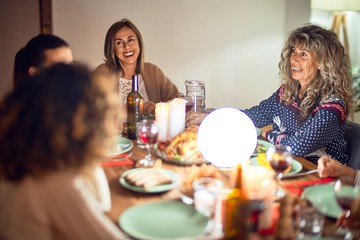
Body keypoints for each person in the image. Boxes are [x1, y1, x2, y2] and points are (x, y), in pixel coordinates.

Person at [187, 24, 354, 165]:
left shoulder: (332, 107)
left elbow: (296, 147)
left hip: (319, 176)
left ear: (322, 62)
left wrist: (266, 133)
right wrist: (210, 116)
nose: (294, 59)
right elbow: (254, 116)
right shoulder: (287, 92)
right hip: (285, 165)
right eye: (294, 51)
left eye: (303, 54)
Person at [0, 63, 128, 239]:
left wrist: (86, 159)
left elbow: (101, 206)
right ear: (77, 121)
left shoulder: (21, 162)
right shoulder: (54, 180)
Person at [93, 18, 179, 125]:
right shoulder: (102, 73)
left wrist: (158, 109)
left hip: (148, 139)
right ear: (112, 49)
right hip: (114, 140)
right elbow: (88, 111)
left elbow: (178, 100)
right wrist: (122, 112)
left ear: (139, 42)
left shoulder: (153, 71)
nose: (127, 47)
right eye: (119, 43)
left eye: (130, 40)